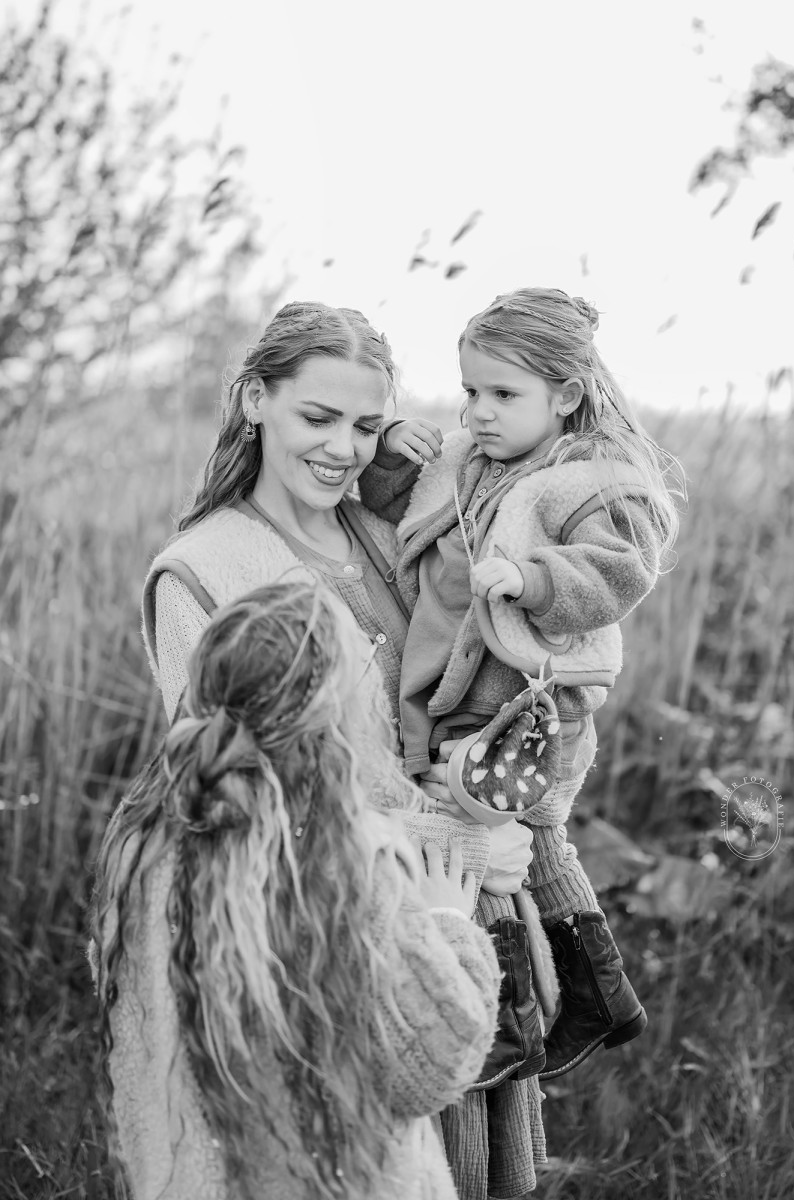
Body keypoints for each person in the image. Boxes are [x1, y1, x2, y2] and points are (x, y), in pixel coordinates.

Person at [140, 300, 543, 1199]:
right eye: (316, 417)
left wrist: (409, 444)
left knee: (474, 1171)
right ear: (253, 399)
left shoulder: (388, 531)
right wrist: (461, 844)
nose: (342, 449)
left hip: (458, 912)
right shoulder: (203, 572)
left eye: (365, 425)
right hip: (338, 930)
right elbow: (242, 798)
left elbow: (509, 474)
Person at [358, 287, 684, 1092]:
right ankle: (592, 997)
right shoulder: (472, 463)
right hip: (464, 700)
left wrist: (534, 577)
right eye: (471, 392)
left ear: (566, 395)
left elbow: (620, 571)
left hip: (532, 710)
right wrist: (402, 455)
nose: (479, 412)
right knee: (518, 848)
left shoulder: (591, 480)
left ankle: (507, 1026)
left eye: (504, 395)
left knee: (501, 852)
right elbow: (400, 511)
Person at [92, 582, 503, 1199]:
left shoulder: (141, 845)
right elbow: (432, 1065)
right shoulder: (350, 864)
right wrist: (447, 922)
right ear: (337, 723)